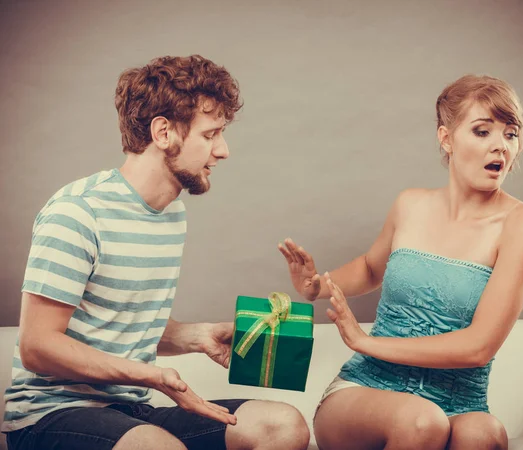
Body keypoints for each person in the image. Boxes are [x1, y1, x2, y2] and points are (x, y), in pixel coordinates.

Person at [2, 55, 310, 450]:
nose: (223, 151)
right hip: (50, 415)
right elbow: (37, 345)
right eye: (211, 134)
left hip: (130, 410)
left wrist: (191, 337)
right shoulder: (78, 212)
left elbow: (111, 318)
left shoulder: (171, 214)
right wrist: (149, 375)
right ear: (164, 132)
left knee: (282, 426)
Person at [279, 74, 523, 450]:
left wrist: (364, 341)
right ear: (446, 138)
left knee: (485, 435)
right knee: (422, 421)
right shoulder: (410, 204)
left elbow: (478, 347)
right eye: (483, 131)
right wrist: (317, 286)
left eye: (511, 134)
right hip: (368, 391)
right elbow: (372, 268)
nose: (500, 147)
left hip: (460, 401)